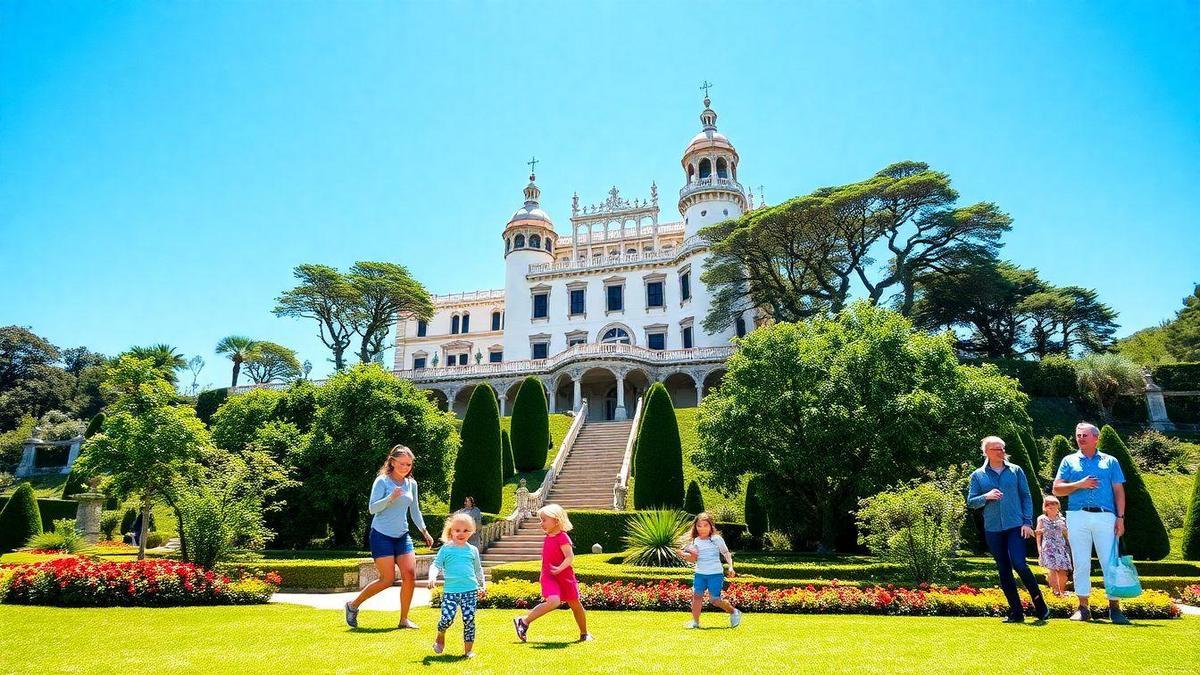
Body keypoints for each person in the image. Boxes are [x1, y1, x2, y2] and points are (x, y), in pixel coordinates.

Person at [344, 445, 435, 629]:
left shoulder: (412, 484)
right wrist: (389, 498)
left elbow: (415, 511)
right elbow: (372, 509)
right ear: (392, 462)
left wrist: (424, 531)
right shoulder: (382, 481)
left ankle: (404, 620)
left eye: (409, 464)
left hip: (402, 536)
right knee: (387, 579)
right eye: (402, 463)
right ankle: (353, 605)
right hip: (381, 535)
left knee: (410, 576)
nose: (406, 467)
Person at [966, 435, 1050, 623]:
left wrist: (1027, 522)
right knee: (1004, 569)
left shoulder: (1016, 471)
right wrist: (986, 496)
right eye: (997, 449)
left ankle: (1041, 605)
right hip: (993, 529)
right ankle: (1016, 612)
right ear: (987, 452)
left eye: (1003, 448)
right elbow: (971, 502)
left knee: (1019, 563)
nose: (1002, 452)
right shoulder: (978, 476)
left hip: (1016, 526)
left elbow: (1026, 496)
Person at [1053, 422, 1129, 624]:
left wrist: (1120, 518)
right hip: (1077, 515)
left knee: (1109, 562)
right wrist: (1080, 484)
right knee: (1081, 562)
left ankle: (1115, 608)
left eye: (1085, 435)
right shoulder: (1069, 461)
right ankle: (1083, 608)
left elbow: (1119, 491)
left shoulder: (1110, 461)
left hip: (1106, 516)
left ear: (1096, 438)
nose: (1080, 438)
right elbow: (1057, 490)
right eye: (1078, 435)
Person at [512, 503, 591, 643]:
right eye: (540, 520)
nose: (541, 523)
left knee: (576, 605)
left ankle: (584, 633)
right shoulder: (548, 537)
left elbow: (570, 557)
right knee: (553, 601)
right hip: (549, 576)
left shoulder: (562, 537)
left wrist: (560, 568)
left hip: (565, 577)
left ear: (556, 520)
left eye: (544, 520)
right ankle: (524, 622)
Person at [429, 513, 486, 658]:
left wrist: (482, 586)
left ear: (472, 531)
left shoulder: (472, 550)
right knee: (447, 619)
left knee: (469, 620)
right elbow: (436, 565)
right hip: (451, 592)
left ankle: (468, 651)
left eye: (466, 530)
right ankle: (440, 634)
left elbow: (478, 570)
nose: (461, 533)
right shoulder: (446, 549)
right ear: (451, 531)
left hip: (470, 591)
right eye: (457, 530)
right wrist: (432, 577)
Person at [678, 512, 741, 629]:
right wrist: (683, 555)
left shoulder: (716, 539)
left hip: (715, 574)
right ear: (695, 527)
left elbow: (726, 553)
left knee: (715, 600)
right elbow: (693, 560)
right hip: (700, 574)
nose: (702, 529)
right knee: (696, 596)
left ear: (711, 526)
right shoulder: (694, 541)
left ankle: (733, 612)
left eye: (705, 525)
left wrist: (731, 566)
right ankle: (695, 622)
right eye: (699, 526)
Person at [1035, 495, 1072, 597]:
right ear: (1045, 507)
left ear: (1058, 505)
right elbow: (1038, 534)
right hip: (1048, 547)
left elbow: (1067, 535)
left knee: (1063, 571)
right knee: (1052, 569)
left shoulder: (1063, 519)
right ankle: (1055, 591)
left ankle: (1062, 591)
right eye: (1048, 504)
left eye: (1053, 503)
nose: (1050, 506)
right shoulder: (1042, 519)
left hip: (1061, 548)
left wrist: (1072, 546)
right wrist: (1039, 548)